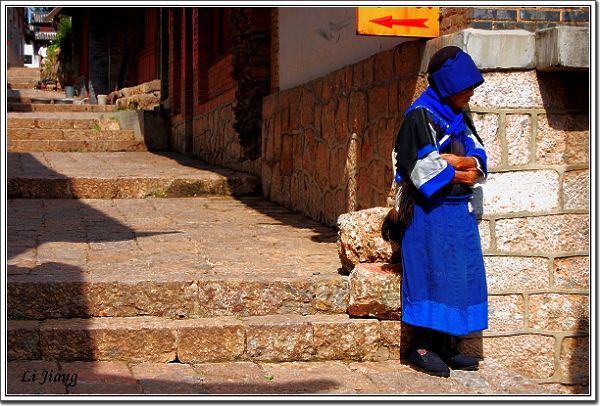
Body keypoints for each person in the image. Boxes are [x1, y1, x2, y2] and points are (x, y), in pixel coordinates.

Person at [382, 46, 488, 378]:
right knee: (432, 276)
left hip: (458, 214)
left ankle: (446, 347)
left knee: (459, 278)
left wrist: (461, 162)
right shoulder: (420, 115)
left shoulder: (460, 117)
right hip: (430, 215)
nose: (470, 93)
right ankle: (423, 347)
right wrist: (458, 169)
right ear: (447, 85)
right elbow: (420, 167)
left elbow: (480, 154)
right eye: (465, 87)